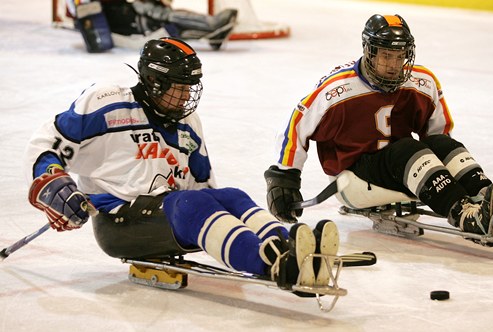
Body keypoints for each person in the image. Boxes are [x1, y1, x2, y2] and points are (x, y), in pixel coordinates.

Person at [24, 37, 339, 293]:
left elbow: (205, 187)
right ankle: (271, 264)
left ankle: (288, 247)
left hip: (165, 215)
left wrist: (222, 218)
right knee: (189, 202)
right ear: (152, 81)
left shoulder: (188, 122)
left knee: (231, 196)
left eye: (191, 86)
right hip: (119, 226)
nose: (187, 96)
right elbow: (47, 144)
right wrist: (53, 183)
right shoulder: (105, 103)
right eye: (179, 87)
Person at [264, 14, 493, 237]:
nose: (393, 65)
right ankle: (464, 215)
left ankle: (486, 197)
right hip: (353, 177)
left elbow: (439, 133)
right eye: (386, 56)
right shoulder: (337, 89)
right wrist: (283, 178)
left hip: (404, 167)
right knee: (407, 149)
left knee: (442, 144)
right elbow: (296, 125)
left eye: (399, 56)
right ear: (370, 51)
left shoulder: (423, 81)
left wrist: (448, 173)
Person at [70, 0, 238, 51]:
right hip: (129, 25)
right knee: (166, 18)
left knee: (166, 15)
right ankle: (212, 26)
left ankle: (212, 30)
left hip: (129, 17)